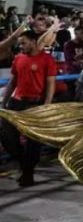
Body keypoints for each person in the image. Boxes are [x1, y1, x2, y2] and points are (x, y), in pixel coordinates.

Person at [0, 26, 58, 186]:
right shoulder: (19, 58)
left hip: (35, 104)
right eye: (19, 43)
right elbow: (13, 81)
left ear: (33, 42)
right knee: (6, 135)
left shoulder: (47, 59)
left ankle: (27, 173)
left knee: (33, 142)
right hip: (16, 102)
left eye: (23, 43)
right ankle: (23, 163)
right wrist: (5, 101)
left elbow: (51, 83)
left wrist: (46, 105)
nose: (21, 46)